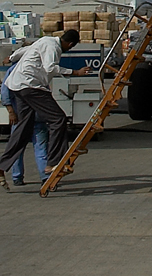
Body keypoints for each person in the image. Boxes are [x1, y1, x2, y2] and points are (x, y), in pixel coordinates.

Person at [0, 29, 91, 190]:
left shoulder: (44, 41)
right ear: (70, 44)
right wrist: (75, 72)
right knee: (58, 119)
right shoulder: (54, 48)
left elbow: (23, 50)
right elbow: (50, 68)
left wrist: (11, 58)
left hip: (17, 86)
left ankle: (2, 166)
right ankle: (53, 162)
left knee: (23, 128)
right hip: (31, 86)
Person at [1, 60, 49, 185]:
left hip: (20, 116)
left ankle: (17, 177)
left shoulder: (13, 70)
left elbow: (5, 91)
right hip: (36, 116)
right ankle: (45, 177)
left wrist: (11, 110)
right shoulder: (39, 69)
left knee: (18, 146)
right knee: (40, 147)